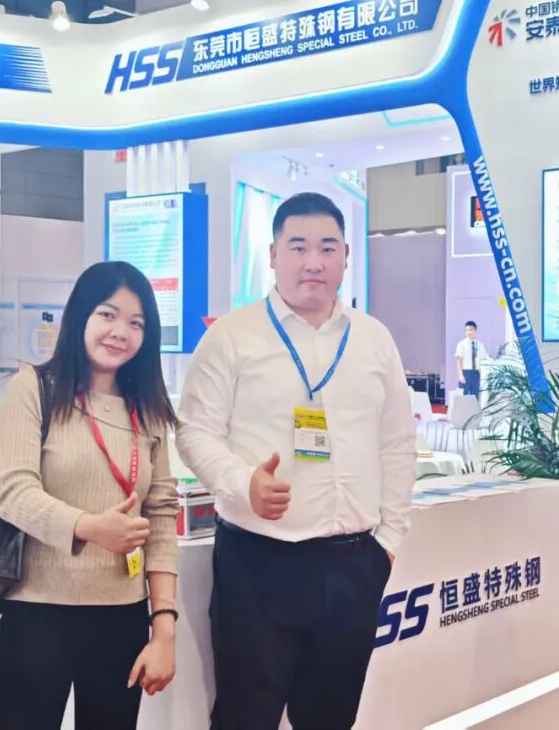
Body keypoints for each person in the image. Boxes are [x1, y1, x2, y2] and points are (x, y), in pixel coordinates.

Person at [177, 192, 416, 730]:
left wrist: (388, 542)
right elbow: (194, 431)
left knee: (331, 719)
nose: (314, 261)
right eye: (299, 246)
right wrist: (242, 481)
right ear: (273, 255)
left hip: (353, 565)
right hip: (258, 565)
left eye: (327, 248)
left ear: (346, 255)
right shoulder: (231, 336)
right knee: (245, 718)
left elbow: (397, 443)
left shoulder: (373, 339)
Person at [0, 261, 179, 730]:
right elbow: (12, 491)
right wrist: (89, 527)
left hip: (121, 618)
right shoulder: (34, 388)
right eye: (107, 314)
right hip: (36, 613)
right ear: (80, 316)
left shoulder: (148, 407)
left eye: (136, 323)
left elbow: (160, 515)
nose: (121, 332)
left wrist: (164, 630)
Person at [455, 320, 489, 398]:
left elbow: (484, 359)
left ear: (475, 331)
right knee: (463, 396)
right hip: (465, 372)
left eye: (471, 330)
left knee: (476, 396)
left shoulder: (480, 345)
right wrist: (460, 375)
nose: (469, 332)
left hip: (476, 373)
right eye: (466, 330)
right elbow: (459, 360)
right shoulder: (461, 344)